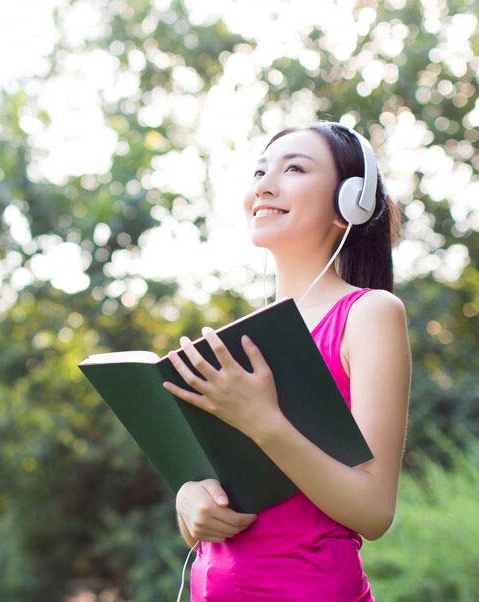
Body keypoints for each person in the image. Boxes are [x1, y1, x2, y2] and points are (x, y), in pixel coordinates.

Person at [165, 121, 412, 601]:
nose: (264, 185)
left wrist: (263, 421)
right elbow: (229, 494)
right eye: (260, 171)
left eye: (294, 168)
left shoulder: (368, 314)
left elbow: (374, 511)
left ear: (348, 205)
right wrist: (190, 504)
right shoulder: (241, 343)